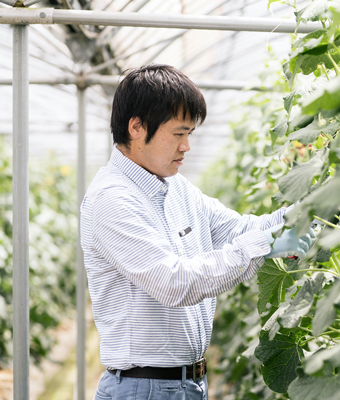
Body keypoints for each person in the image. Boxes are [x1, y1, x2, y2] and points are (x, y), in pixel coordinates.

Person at [80, 64, 314, 400]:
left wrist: (308, 209)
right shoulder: (113, 199)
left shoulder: (178, 189)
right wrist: (265, 243)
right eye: (178, 134)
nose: (186, 146)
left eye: (190, 134)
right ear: (136, 127)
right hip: (144, 389)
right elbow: (174, 283)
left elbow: (239, 228)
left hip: (187, 385)